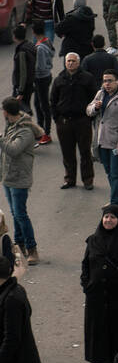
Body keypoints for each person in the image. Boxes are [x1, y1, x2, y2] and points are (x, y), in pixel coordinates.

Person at [80, 204, 118, 363]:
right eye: (106, 217)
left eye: (112, 217)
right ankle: (103, 361)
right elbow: (86, 264)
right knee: (100, 329)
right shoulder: (94, 239)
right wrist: (87, 284)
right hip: (97, 295)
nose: (108, 220)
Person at [0, 97, 43, 268]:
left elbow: (13, 150)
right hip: (8, 177)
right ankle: (19, 244)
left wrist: (0, 139)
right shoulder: (11, 125)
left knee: (20, 214)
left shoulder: (25, 131)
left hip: (19, 178)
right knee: (15, 212)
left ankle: (32, 249)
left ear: (6, 111)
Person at [87, 71, 118, 207]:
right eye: (105, 81)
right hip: (101, 140)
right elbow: (88, 109)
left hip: (116, 142)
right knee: (108, 170)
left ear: (117, 81)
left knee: (115, 173)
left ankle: (115, 201)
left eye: (110, 81)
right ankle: (116, 198)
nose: (107, 84)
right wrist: (94, 108)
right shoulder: (100, 94)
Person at [50, 53, 98, 189]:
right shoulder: (59, 79)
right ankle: (70, 179)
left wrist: (90, 117)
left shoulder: (87, 78)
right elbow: (53, 100)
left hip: (82, 121)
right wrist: (57, 118)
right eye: (68, 61)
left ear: (78, 62)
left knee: (85, 152)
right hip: (64, 122)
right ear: (65, 63)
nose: (70, 63)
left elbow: (94, 98)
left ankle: (88, 180)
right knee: (67, 153)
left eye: (73, 61)